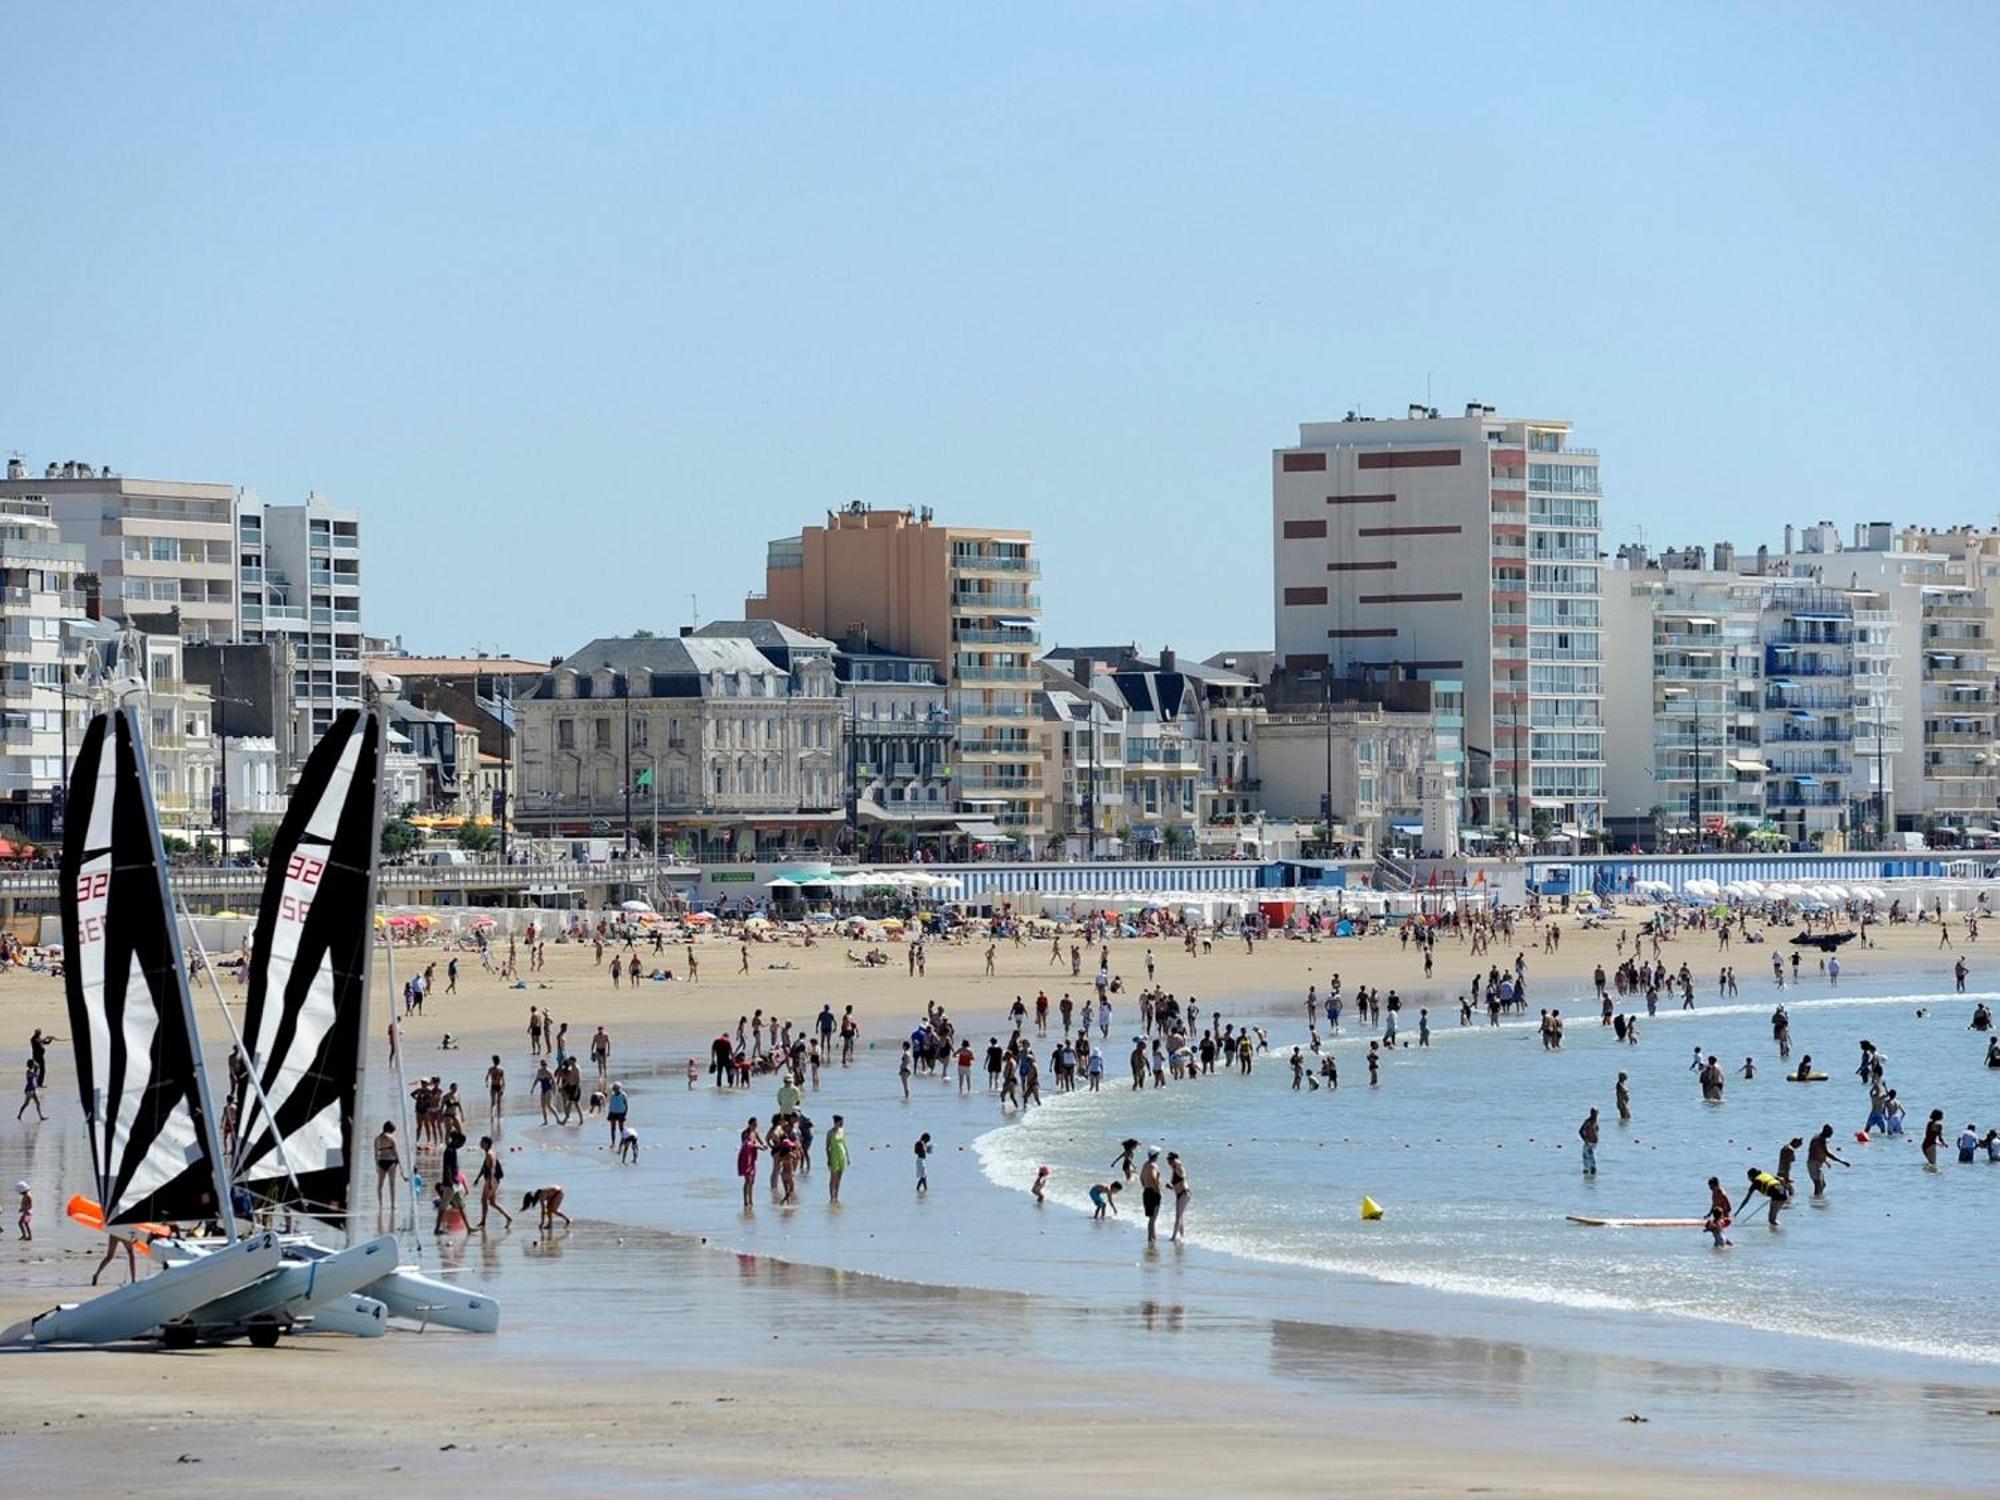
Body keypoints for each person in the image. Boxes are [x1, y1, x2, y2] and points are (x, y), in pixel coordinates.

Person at [475, 1136, 513, 1230]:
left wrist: (491, 1182)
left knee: (484, 1200)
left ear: (487, 1144)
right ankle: (508, 1217)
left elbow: (492, 1168)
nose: (480, 1144)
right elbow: (484, 1167)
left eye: (482, 1142)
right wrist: (478, 1178)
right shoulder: (489, 1153)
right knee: (492, 1202)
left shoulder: (489, 1154)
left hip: (491, 1179)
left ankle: (483, 1222)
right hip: (492, 1179)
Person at [1806, 1125, 1848, 1196]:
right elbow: (1827, 1153)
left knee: (1823, 1185)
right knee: (1818, 1185)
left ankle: (1818, 1200)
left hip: (1816, 1163)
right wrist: (1842, 1162)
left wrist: (1825, 1161)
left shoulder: (1818, 1137)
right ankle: (1816, 1201)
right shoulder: (1820, 1139)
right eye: (1830, 1133)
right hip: (1813, 1164)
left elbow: (1816, 1151)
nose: (1831, 1135)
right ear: (1826, 1131)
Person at [374, 1121, 402, 1216]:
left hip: (381, 1161)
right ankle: (393, 1204)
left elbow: (376, 1154)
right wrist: (401, 1166)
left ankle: (380, 1204)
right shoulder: (392, 1137)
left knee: (380, 1184)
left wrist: (376, 1165)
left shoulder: (377, 1138)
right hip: (391, 1161)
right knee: (392, 1184)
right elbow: (396, 1152)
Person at [737, 1119, 763, 1208]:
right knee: (747, 1180)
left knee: (752, 1181)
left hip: (753, 1158)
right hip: (746, 1157)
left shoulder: (755, 1132)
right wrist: (759, 1147)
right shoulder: (745, 1133)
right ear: (749, 1124)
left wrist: (764, 1145)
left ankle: (751, 1199)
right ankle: (745, 1200)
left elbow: (760, 1141)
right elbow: (747, 1144)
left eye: (756, 1124)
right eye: (754, 1124)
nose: (755, 1126)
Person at [1139, 1148, 1163, 1243]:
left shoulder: (1145, 1165)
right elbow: (1153, 1177)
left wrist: (1145, 1186)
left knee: (1151, 1218)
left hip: (1146, 1191)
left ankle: (1153, 1237)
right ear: (1155, 1155)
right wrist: (1157, 1190)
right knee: (1153, 1218)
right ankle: (1151, 1238)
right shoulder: (1153, 1166)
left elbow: (1141, 1178)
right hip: (1153, 1193)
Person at [1703, 1176, 1733, 1248]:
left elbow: (1729, 1208)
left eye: (1712, 1187)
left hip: (1723, 1217)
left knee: (1716, 1230)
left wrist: (1722, 1216)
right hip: (1717, 1216)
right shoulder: (1714, 1192)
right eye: (1709, 1187)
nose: (1710, 1189)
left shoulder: (1722, 1194)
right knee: (1717, 1232)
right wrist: (1709, 1214)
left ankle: (1721, 1243)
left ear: (1717, 1185)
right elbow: (1714, 1204)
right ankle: (1726, 1242)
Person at [1168, 1151, 1191, 1242]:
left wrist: (1176, 1160)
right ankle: (1182, 1235)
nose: (1169, 1162)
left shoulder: (1179, 1168)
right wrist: (1170, 1187)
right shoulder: (1174, 1170)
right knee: (1179, 1216)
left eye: (1170, 1160)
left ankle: (1174, 1237)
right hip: (1178, 1194)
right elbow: (1176, 1184)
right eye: (1168, 1160)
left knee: (1178, 1216)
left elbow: (1182, 1172)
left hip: (1184, 1193)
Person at [826, 1115, 848, 1203]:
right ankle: (832, 1197)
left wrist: (848, 1156)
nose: (842, 1123)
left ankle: (836, 1196)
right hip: (834, 1155)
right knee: (833, 1177)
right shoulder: (830, 1132)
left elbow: (844, 1144)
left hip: (841, 1156)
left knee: (839, 1177)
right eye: (841, 1122)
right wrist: (828, 1158)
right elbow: (827, 1146)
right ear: (837, 1122)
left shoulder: (842, 1131)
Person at [1578, 1108, 1600, 1176]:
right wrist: (1586, 1141)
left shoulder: (1595, 1122)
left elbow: (1596, 1132)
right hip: (1588, 1146)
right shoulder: (1588, 1122)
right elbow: (1580, 1131)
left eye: (1596, 1113)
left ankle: (1591, 1183)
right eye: (1593, 1113)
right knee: (1588, 1165)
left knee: (1593, 1165)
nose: (1594, 1114)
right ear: (1591, 1113)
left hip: (1594, 1145)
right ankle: (1588, 1183)